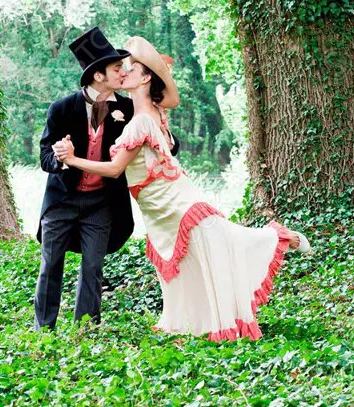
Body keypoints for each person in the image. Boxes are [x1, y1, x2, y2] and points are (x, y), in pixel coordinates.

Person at [54, 35, 311, 341]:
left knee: (217, 242)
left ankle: (280, 238)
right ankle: (188, 322)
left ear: (146, 77)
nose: (123, 72)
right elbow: (162, 109)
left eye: (131, 69)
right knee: (190, 261)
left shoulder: (141, 123)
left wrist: (72, 159)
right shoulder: (150, 116)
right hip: (159, 205)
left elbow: (114, 169)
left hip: (173, 201)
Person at [34, 27, 178, 330]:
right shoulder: (61, 108)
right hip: (61, 200)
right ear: (98, 76)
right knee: (51, 265)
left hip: (101, 202)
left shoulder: (128, 108)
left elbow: (157, 125)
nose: (122, 72)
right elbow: (45, 157)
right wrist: (61, 158)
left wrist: (166, 138)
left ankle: (86, 327)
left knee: (93, 266)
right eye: (116, 68)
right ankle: (43, 329)